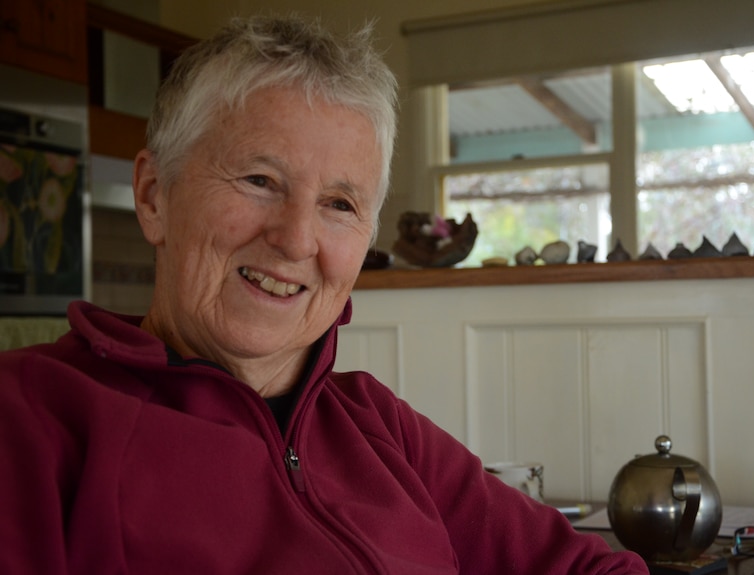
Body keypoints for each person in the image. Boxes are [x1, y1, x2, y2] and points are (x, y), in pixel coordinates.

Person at [0, 14, 648, 574]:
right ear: (153, 196)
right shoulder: (30, 417)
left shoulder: (379, 426)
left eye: (339, 203)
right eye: (259, 179)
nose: (295, 238)